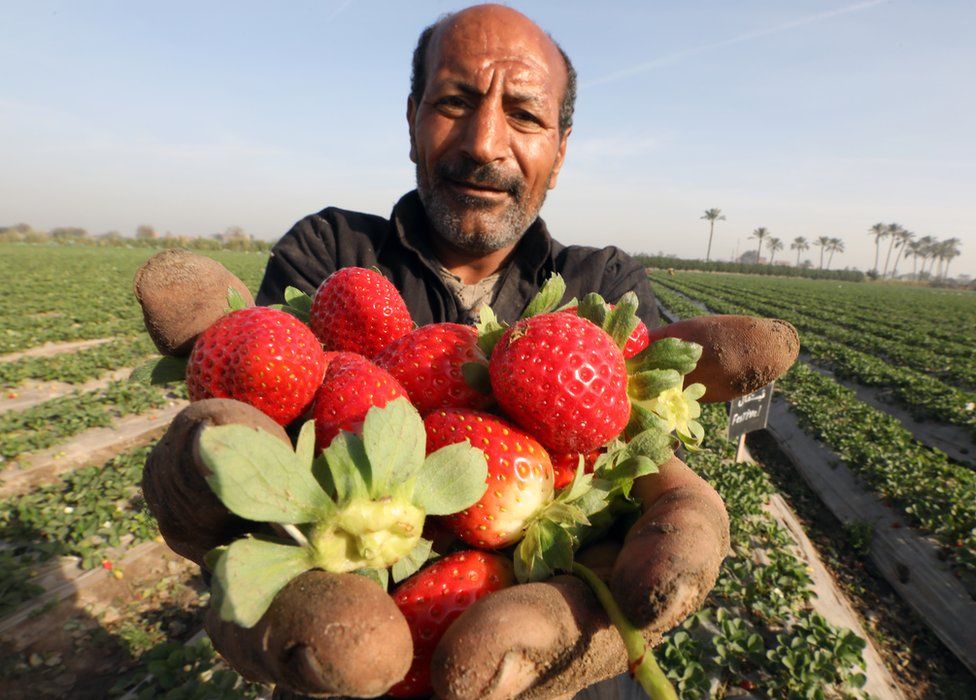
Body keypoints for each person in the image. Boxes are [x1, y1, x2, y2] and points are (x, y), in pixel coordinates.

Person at [252, 5, 728, 698]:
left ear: (560, 152)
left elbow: (634, 461)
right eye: (454, 102)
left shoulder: (604, 289)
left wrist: (659, 489)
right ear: (412, 119)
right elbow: (270, 435)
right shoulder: (330, 259)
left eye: (526, 116)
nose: (484, 142)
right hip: (358, 658)